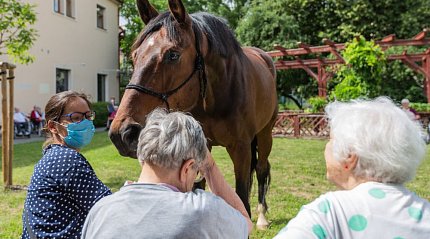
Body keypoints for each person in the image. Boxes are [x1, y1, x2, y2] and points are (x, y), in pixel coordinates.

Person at [81, 108, 253, 239]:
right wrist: (209, 167)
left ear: (142, 158)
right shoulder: (202, 211)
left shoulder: (100, 211)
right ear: (187, 168)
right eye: (196, 173)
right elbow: (244, 223)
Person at [274, 97, 430, 238]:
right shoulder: (426, 213)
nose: (327, 147)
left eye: (330, 140)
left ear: (349, 157)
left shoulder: (330, 213)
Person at [21, 91, 112, 239]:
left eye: (88, 116)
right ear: (53, 127)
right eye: (76, 118)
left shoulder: (53, 154)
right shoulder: (66, 159)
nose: (86, 123)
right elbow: (107, 208)